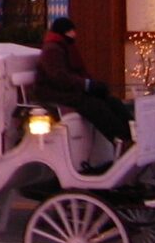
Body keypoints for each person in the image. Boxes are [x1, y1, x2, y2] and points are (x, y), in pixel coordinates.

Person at [35, 17, 133, 167]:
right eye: (71, 31)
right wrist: (87, 85)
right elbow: (59, 78)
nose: (74, 34)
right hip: (55, 92)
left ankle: (131, 134)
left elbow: (77, 73)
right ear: (64, 32)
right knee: (94, 106)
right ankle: (120, 140)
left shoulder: (63, 47)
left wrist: (92, 85)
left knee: (111, 101)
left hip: (68, 89)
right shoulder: (52, 50)